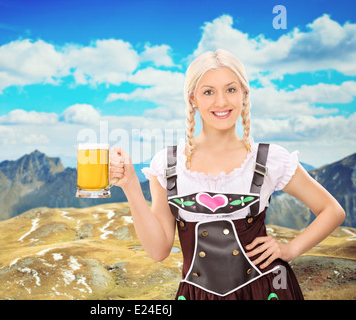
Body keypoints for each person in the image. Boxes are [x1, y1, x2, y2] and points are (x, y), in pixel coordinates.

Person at [108, 49, 345, 300]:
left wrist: (290, 249)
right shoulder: (168, 165)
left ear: (244, 94)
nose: (221, 102)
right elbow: (158, 251)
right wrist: (131, 186)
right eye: (208, 91)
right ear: (192, 99)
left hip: (265, 292)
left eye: (231, 89)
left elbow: (332, 210)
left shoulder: (268, 159)